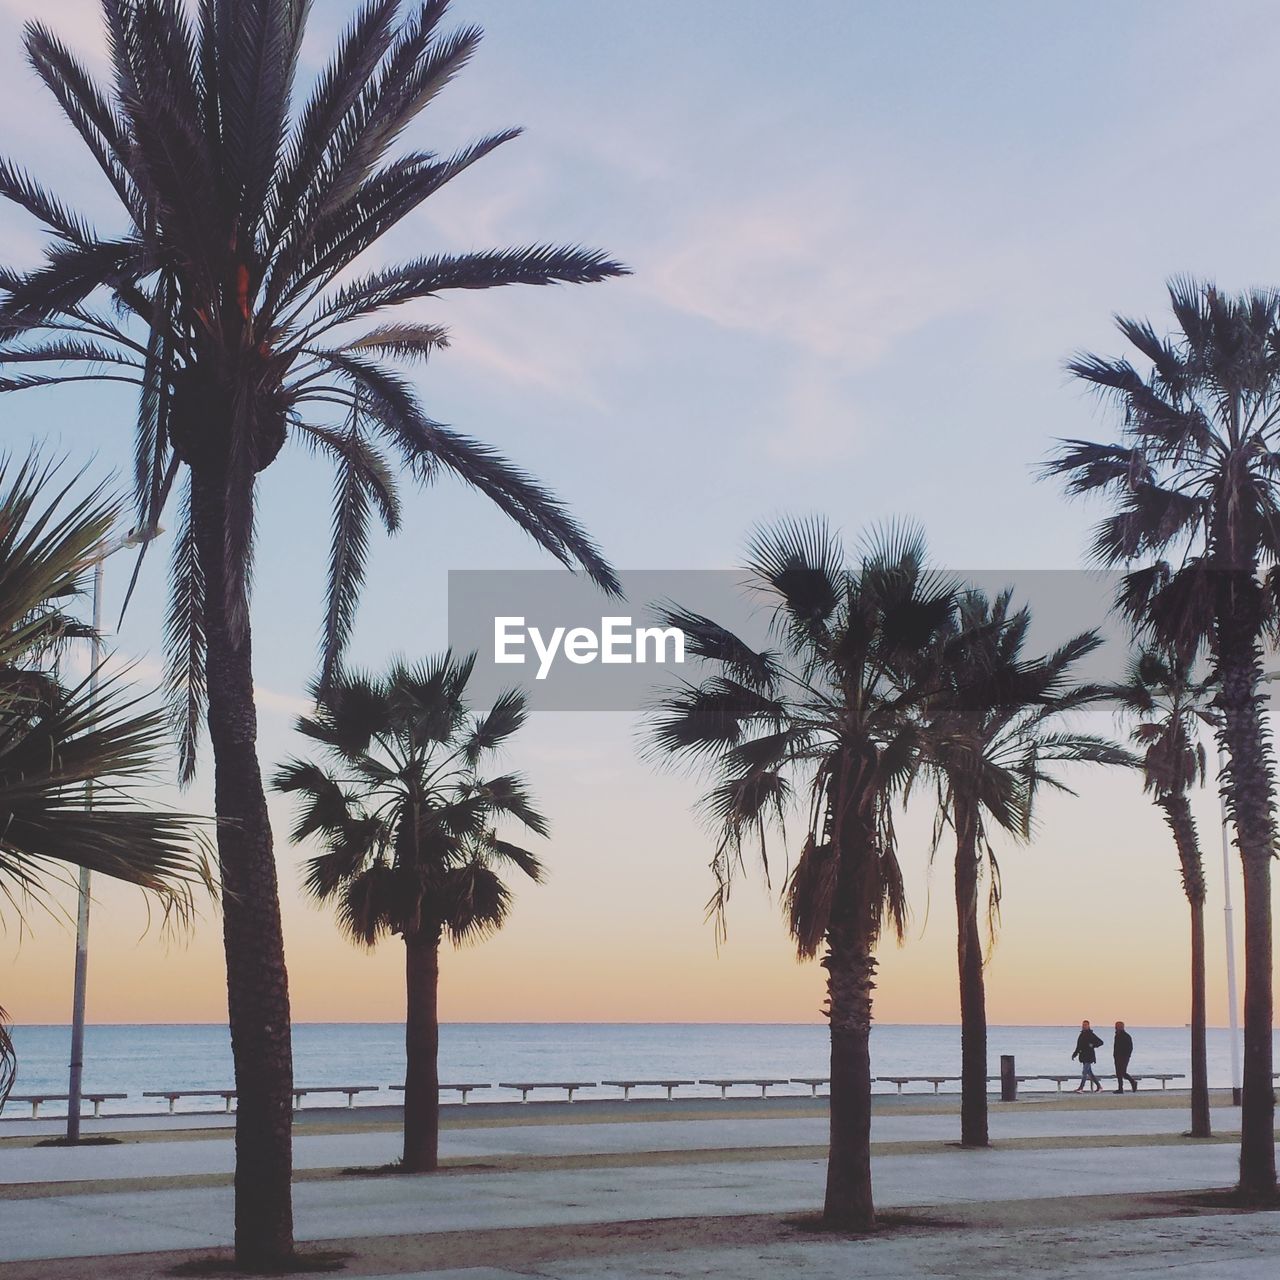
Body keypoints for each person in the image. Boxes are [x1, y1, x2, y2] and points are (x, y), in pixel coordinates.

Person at [1071, 1020, 1104, 1092]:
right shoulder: (1081, 1034)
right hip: (1083, 1056)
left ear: (1088, 1026)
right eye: (1083, 1025)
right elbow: (1078, 1046)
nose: (1084, 1026)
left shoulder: (1091, 1034)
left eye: (1086, 1025)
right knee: (1090, 1073)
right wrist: (1075, 1054)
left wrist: (1093, 1045)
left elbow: (1101, 1042)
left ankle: (1081, 1088)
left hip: (1089, 1056)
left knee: (1084, 1072)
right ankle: (1099, 1087)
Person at [1113, 1021, 1136, 1093]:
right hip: (1117, 1057)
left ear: (1121, 1027)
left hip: (1124, 1057)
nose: (1116, 1027)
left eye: (1117, 1026)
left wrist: (1127, 1056)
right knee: (1118, 1073)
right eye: (1116, 1026)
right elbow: (1116, 1047)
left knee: (1123, 1072)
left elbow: (1130, 1047)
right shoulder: (1117, 1035)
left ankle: (1133, 1082)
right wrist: (1114, 1055)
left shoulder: (1126, 1036)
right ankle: (1120, 1088)